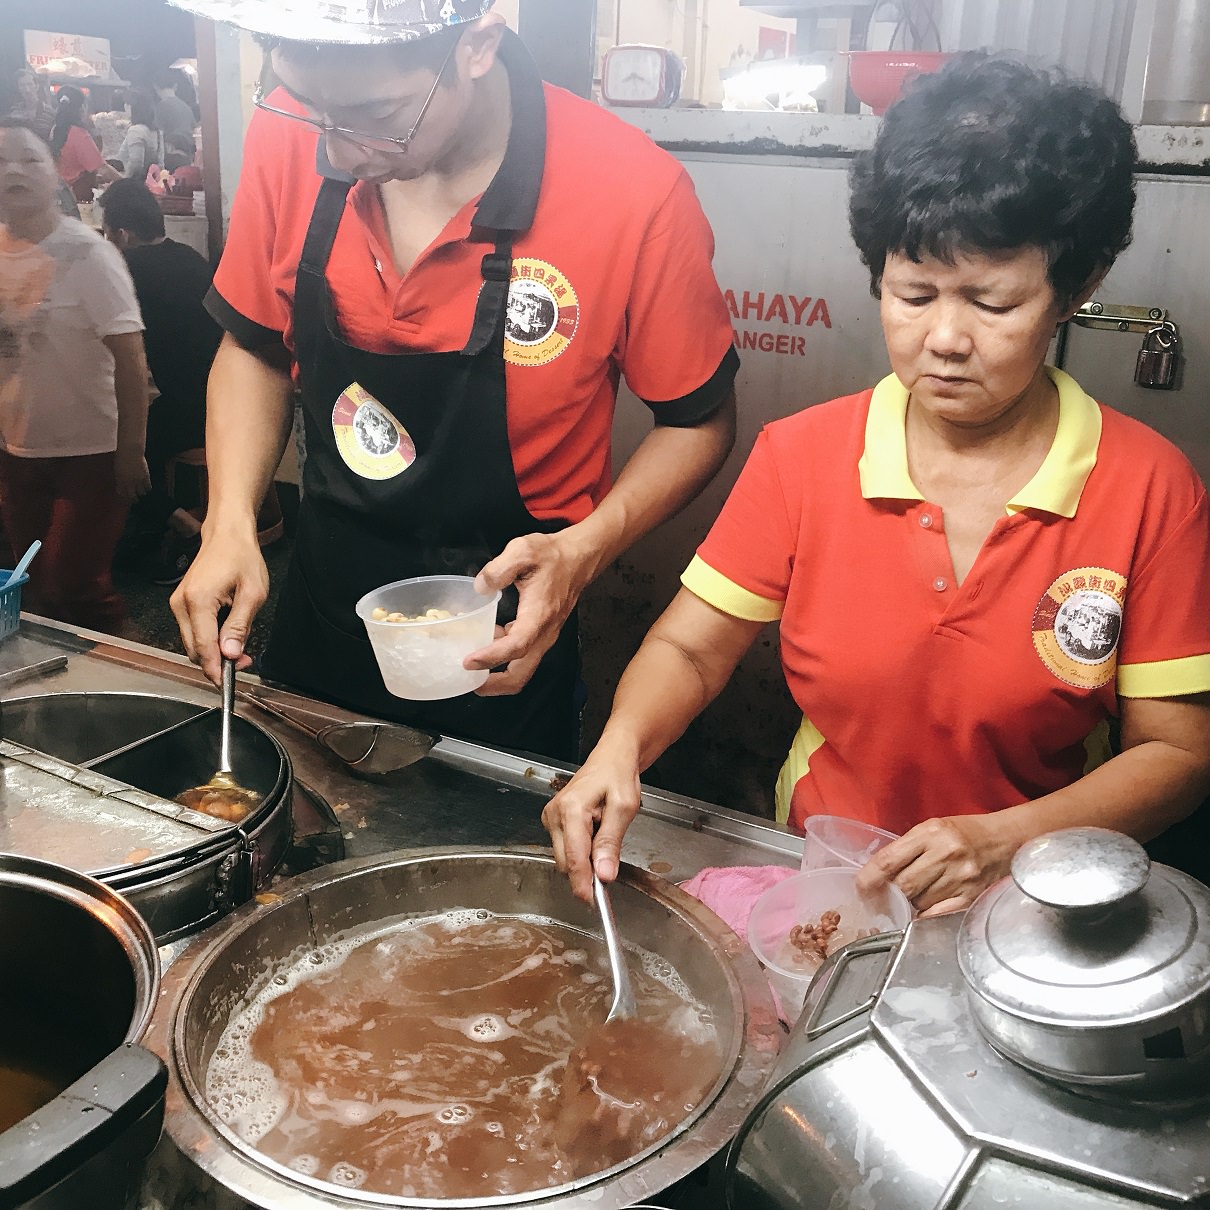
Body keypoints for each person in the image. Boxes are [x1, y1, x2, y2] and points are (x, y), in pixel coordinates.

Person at [542, 53, 1210, 909]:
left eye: (992, 304)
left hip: (1031, 896)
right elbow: (690, 647)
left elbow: (1179, 755)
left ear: (1077, 287)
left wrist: (1005, 843)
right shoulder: (804, 456)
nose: (945, 338)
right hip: (824, 874)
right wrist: (618, 751)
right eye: (913, 294)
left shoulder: (1150, 488)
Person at [163, 0, 739, 762]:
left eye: (377, 115)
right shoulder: (299, 133)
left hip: (504, 627)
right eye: (312, 107)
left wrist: (587, 552)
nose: (338, 150)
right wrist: (230, 518)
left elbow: (696, 420)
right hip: (324, 596)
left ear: (477, 45)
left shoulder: (633, 190)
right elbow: (256, 346)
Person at [0, 119, 151, 633]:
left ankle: (144, 687)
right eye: (1, 162)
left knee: (77, 585)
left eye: (29, 160)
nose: (13, 171)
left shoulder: (88, 254)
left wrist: (131, 451)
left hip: (92, 451)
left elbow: (132, 363)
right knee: (35, 589)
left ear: (55, 175)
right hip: (19, 450)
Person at [97, 177, 221, 584]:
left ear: (123, 233)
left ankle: (182, 527)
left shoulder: (125, 272)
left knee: (114, 451)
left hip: (183, 409)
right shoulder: (191, 258)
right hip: (220, 400)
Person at [50, 86, 119, 202]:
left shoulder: (55, 130)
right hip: (78, 198)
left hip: (60, 195)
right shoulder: (79, 135)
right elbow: (103, 169)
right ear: (82, 108)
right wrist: (126, 182)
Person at [115, 94, 163, 179]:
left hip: (132, 183)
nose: (125, 108)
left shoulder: (136, 130)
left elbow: (136, 163)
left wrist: (123, 180)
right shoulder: (157, 132)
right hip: (149, 182)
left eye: (127, 105)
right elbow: (160, 163)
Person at [152, 70, 196, 158]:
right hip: (189, 151)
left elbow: (158, 134)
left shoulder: (161, 106)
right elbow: (194, 127)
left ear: (155, 87)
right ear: (175, 86)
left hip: (172, 152)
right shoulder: (186, 107)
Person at [8, 70, 56, 142]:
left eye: (30, 84)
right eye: (22, 85)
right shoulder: (14, 112)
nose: (27, 90)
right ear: (19, 88)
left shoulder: (51, 113)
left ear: (37, 86)